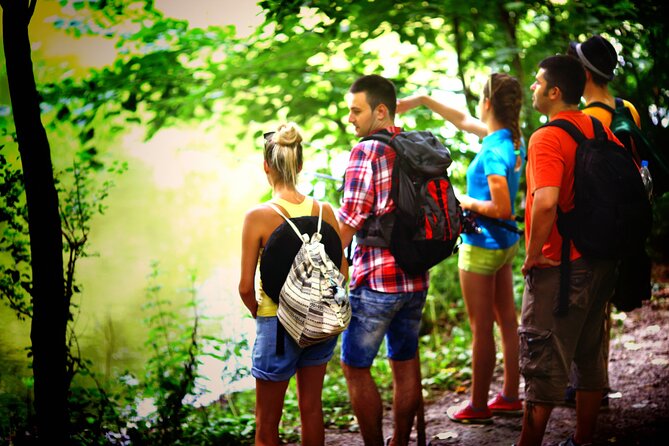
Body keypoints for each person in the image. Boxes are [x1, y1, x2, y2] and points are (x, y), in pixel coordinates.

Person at [397, 73, 525, 424]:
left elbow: (501, 208)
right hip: (505, 244)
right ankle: (510, 396)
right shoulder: (509, 140)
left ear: (486, 103)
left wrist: (463, 200)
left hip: (483, 246)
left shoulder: (494, 151)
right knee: (507, 322)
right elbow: (461, 120)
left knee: (482, 328)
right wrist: (422, 99)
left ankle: (479, 405)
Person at [516, 55, 620, 446]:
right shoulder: (597, 127)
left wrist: (533, 252)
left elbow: (546, 201)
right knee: (590, 354)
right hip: (601, 260)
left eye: (538, 82)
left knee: (542, 358)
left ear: (554, 91)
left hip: (561, 267)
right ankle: (583, 438)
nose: (533, 88)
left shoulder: (546, 137)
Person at [238, 122, 345, 446]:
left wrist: (265, 314)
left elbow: (245, 287)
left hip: (276, 326)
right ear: (299, 164)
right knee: (311, 409)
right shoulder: (325, 211)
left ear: (266, 166)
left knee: (266, 423)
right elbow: (342, 274)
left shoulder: (257, 216)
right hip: (321, 322)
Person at [338, 74, 428, 446]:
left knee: (354, 367)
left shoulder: (366, 151)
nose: (350, 119)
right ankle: (400, 443)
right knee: (404, 362)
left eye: (355, 111)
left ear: (380, 110)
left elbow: (351, 218)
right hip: (415, 278)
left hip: (376, 283)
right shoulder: (411, 144)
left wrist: (318, 262)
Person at [564, 33, 643, 410]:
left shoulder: (590, 119)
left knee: (588, 311)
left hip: (596, 222)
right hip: (624, 217)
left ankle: (587, 387)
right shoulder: (627, 108)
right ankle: (598, 383)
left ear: (584, 72)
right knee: (602, 307)